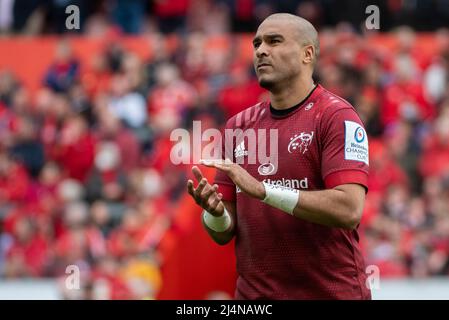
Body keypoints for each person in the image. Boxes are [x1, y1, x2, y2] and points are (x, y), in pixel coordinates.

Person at [187, 13, 371, 299]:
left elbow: (349, 210)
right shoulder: (238, 126)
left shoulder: (336, 116)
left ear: (307, 54)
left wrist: (263, 191)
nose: (261, 50)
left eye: (274, 41)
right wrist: (215, 214)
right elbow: (224, 232)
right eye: (257, 43)